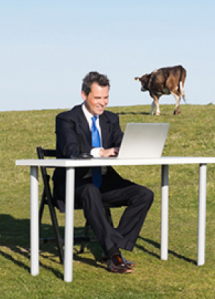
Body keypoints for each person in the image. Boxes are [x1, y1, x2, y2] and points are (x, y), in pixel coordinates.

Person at [54, 71, 154, 274]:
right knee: (90, 191)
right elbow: (69, 150)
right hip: (75, 183)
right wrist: (100, 152)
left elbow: (121, 141)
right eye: (97, 98)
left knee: (144, 194)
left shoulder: (111, 119)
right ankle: (113, 253)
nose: (103, 103)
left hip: (105, 182)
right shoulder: (66, 119)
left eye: (106, 97)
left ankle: (113, 241)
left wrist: (129, 148)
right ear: (84, 95)